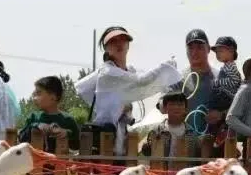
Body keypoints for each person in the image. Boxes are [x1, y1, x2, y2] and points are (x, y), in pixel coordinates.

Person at [76, 26, 179, 155]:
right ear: (106, 48)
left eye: (123, 40)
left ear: (128, 45)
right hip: (105, 137)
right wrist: (166, 67)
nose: (119, 43)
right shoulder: (108, 72)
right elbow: (141, 81)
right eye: (113, 41)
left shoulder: (129, 71)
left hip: (121, 136)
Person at [17, 76, 81, 151]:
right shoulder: (33, 117)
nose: (34, 98)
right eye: (35, 94)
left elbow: (76, 146)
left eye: (38, 94)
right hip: (35, 158)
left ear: (53, 97)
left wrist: (67, 133)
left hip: (59, 159)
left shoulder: (68, 120)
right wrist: (36, 126)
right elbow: (21, 138)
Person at [209, 36, 242, 141]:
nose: (218, 54)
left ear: (231, 51)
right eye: (216, 52)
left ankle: (222, 133)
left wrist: (218, 82)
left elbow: (235, 81)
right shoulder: (225, 66)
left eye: (221, 51)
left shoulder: (231, 66)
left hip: (227, 97)